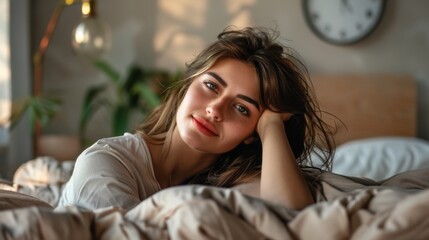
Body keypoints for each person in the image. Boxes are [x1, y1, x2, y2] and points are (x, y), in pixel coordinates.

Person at [58, 26, 334, 211]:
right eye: (211, 86)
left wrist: (272, 125)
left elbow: (292, 210)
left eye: (242, 109)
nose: (215, 109)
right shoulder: (105, 162)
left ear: (253, 133)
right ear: (188, 83)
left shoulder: (230, 180)